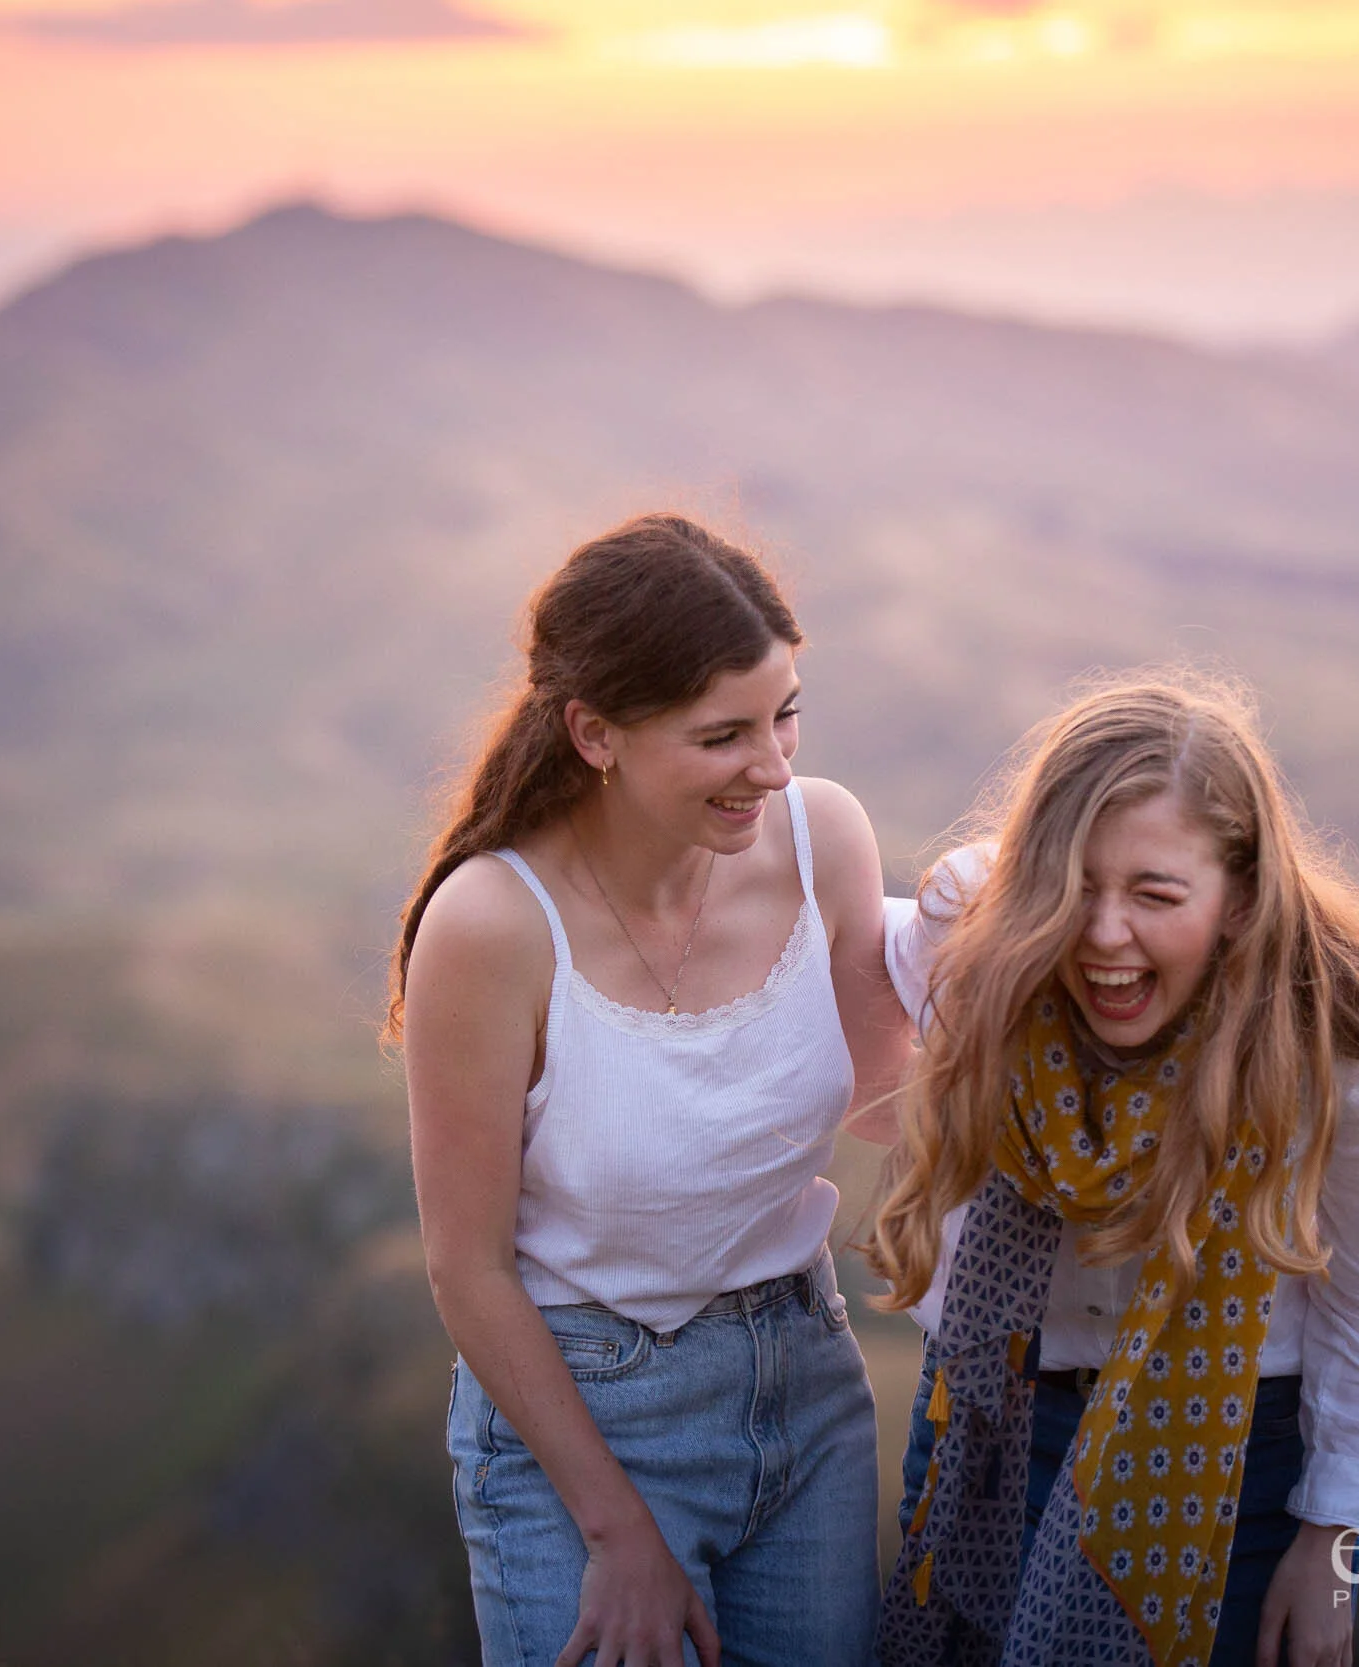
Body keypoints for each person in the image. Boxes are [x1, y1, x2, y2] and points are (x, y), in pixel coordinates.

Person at [863, 673, 1359, 1667]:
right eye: (1074, 885)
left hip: (1232, 1466)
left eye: (1155, 894)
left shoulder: (1341, 1056)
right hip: (989, 1428)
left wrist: (1329, 1540)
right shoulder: (974, 936)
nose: (1102, 932)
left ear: (1241, 895)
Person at [390, 514, 908, 1667]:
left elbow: (892, 1101)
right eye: (722, 735)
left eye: (784, 715)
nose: (773, 766)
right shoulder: (490, 923)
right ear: (595, 733)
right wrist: (616, 1529)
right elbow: (467, 1267)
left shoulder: (823, 838)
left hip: (806, 1386)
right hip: (579, 1417)